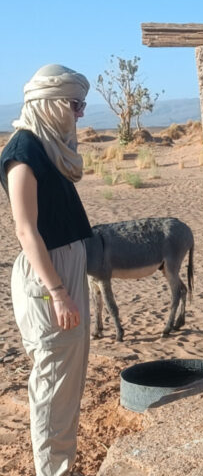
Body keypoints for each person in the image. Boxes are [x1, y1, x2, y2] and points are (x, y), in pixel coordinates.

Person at [1, 64, 92, 476]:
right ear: (51, 103)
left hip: (65, 267)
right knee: (53, 382)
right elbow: (25, 229)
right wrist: (57, 291)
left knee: (66, 381)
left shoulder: (47, 147)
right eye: (74, 104)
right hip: (49, 275)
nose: (79, 113)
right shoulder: (23, 151)